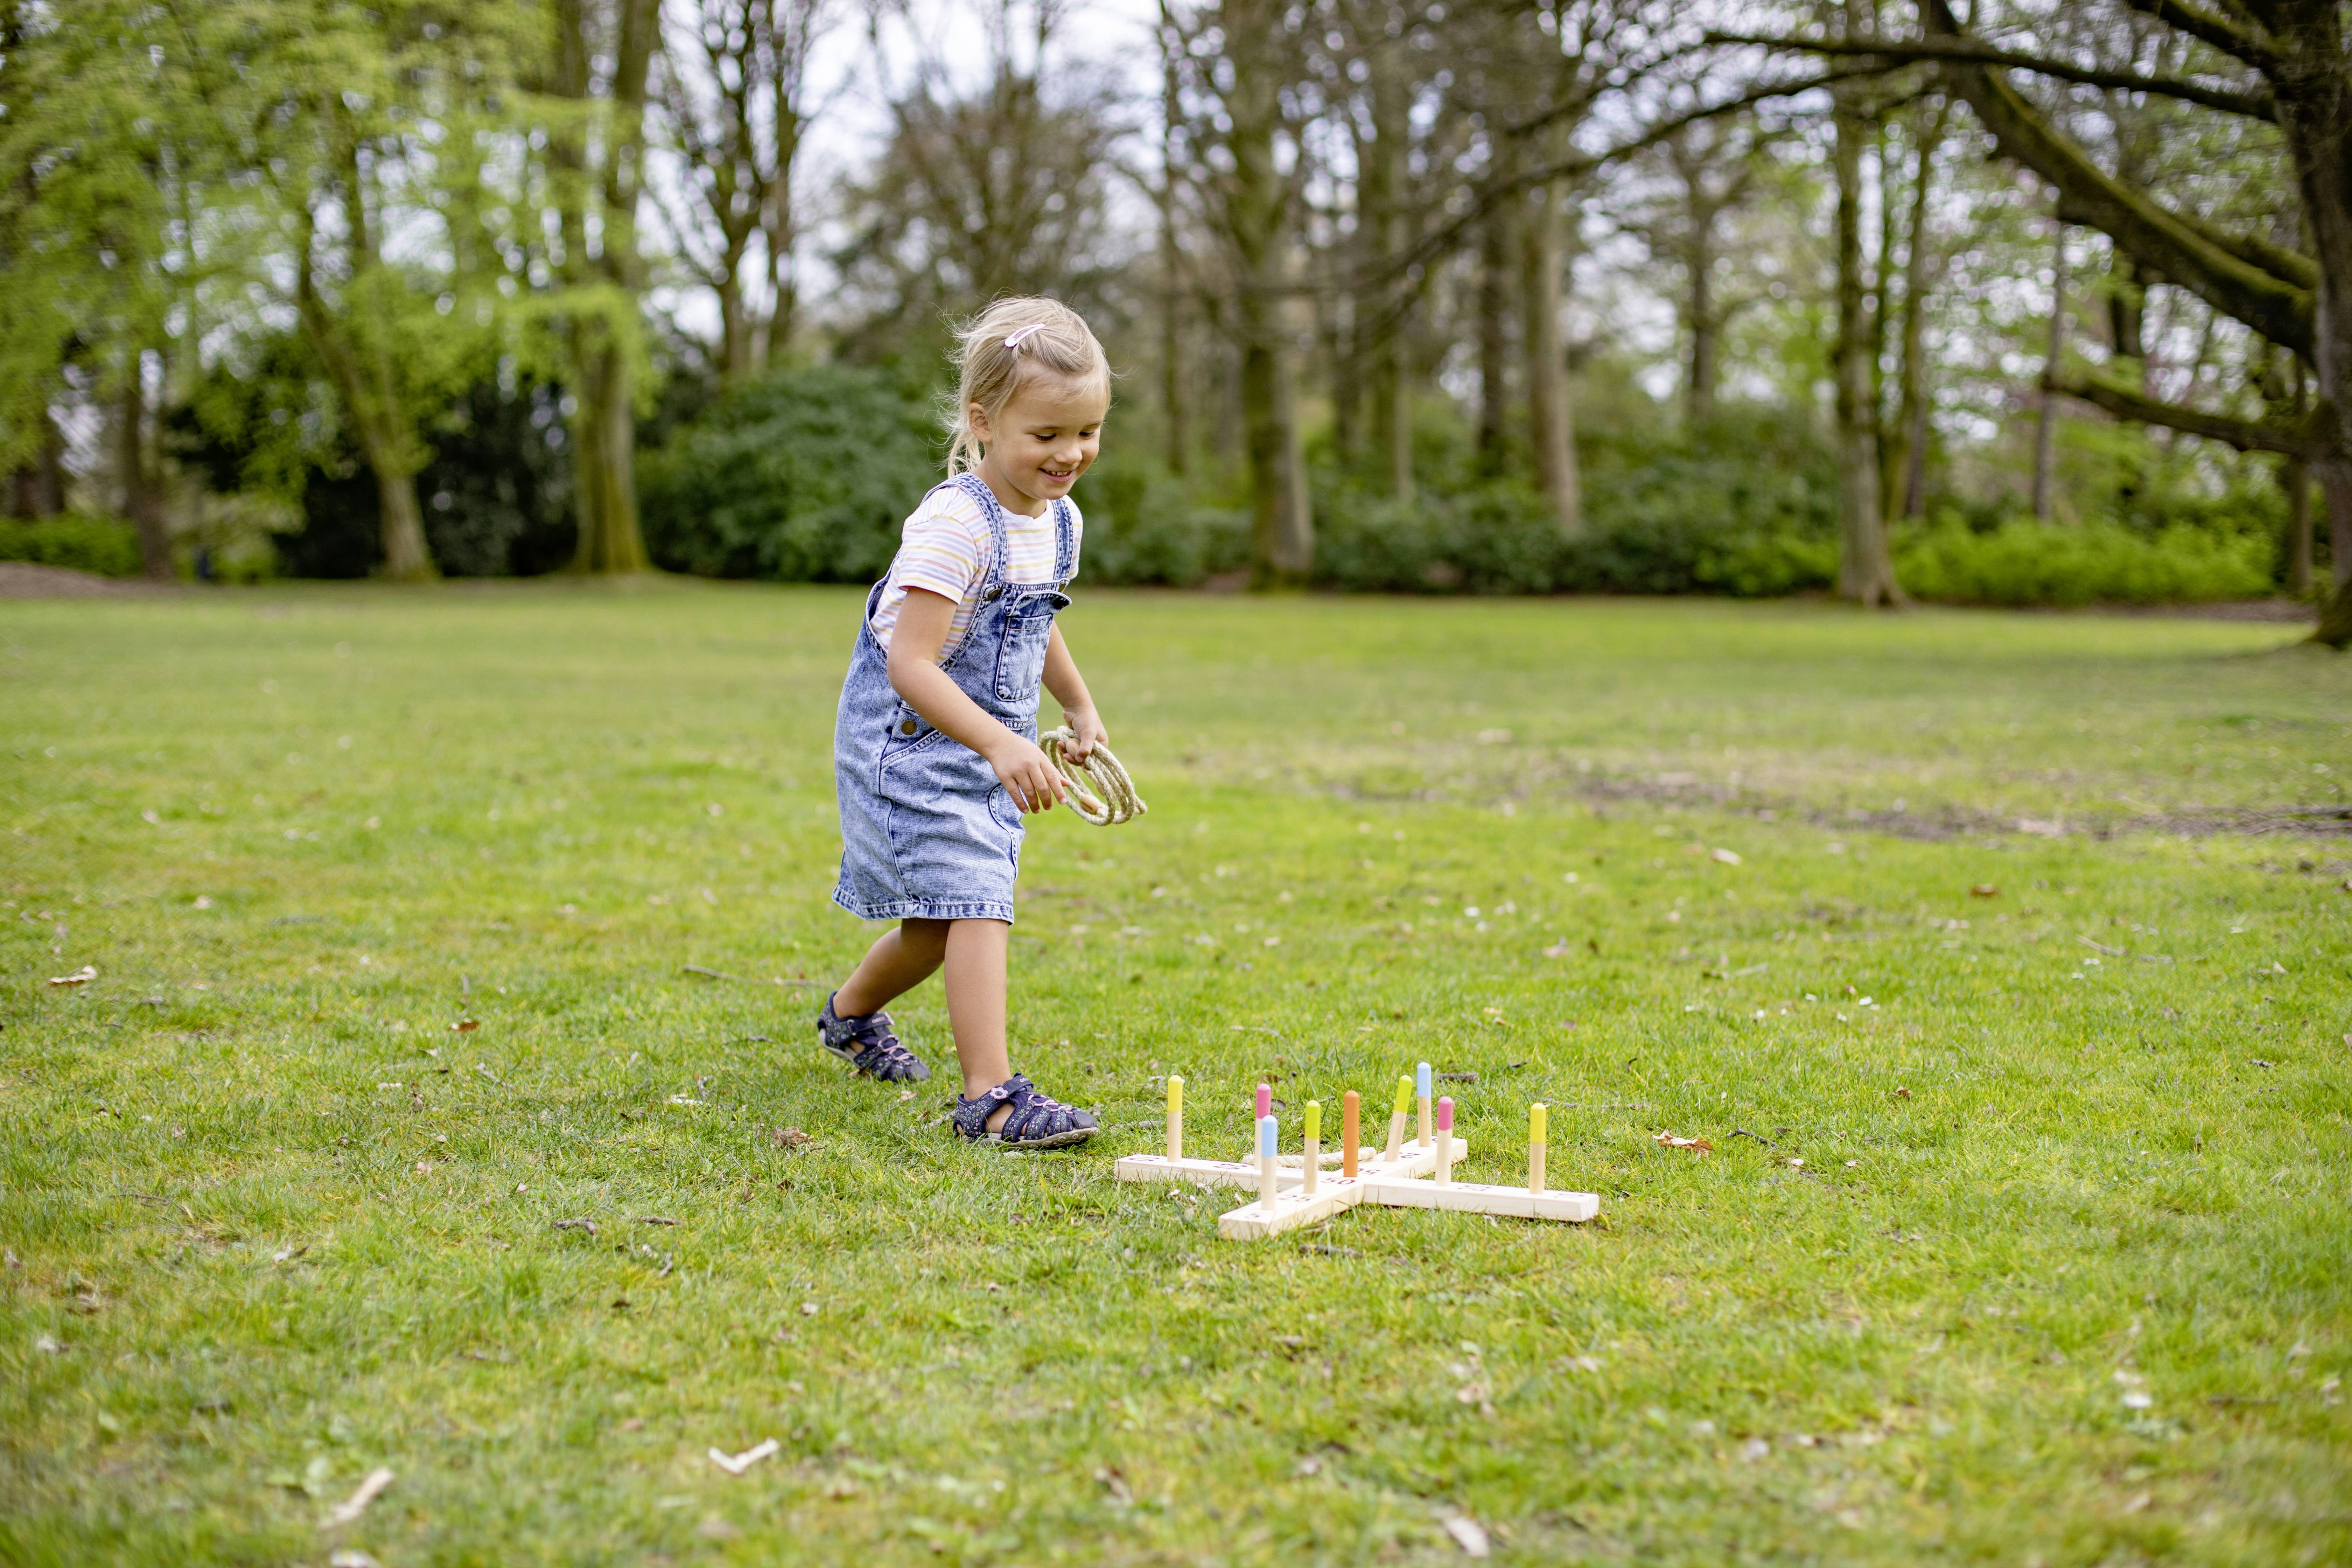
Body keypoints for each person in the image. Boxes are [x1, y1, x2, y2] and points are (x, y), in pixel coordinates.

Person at [813, 297, 1112, 1148]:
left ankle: (849, 1015)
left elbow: (1035, 619)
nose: (1070, 453)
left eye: (1088, 431)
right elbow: (911, 664)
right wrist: (1000, 740)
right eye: (1046, 433)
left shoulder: (1057, 518)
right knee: (979, 898)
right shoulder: (954, 524)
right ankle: (992, 1099)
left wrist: (1077, 701)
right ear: (983, 422)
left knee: (939, 925)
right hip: (908, 746)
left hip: (981, 743)